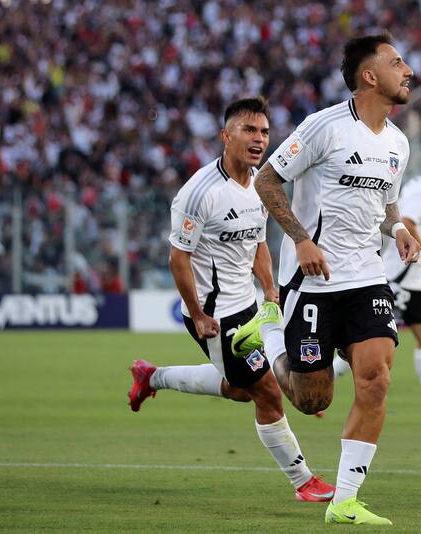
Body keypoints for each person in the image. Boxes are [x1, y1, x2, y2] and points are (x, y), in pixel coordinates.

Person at [231, 34, 420, 525]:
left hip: (366, 276)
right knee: (312, 398)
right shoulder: (324, 127)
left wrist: (398, 228)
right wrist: (300, 239)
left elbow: (386, 203)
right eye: (397, 62)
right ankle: (270, 330)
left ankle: (345, 501)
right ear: (369, 76)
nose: (409, 70)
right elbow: (269, 179)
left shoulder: (398, 143)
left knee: (376, 379)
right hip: (311, 281)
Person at [126, 96, 334, 503]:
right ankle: (303, 480)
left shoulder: (261, 184)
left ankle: (151, 377)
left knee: (242, 389)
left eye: (264, 132)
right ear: (226, 135)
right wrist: (200, 315)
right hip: (216, 314)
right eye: (248, 130)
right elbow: (177, 257)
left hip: (248, 305)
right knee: (268, 394)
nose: (258, 139)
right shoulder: (198, 193)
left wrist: (270, 288)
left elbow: (258, 243)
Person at [346, 144, 421, 423]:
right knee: (367, 343)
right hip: (397, 277)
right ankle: (315, 381)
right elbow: (407, 223)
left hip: (411, 277)